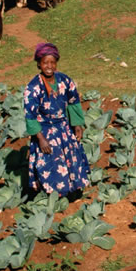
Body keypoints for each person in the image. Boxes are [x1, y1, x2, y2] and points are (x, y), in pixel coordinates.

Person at [24, 42, 90, 196]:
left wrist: (77, 125)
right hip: (45, 132)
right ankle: (53, 196)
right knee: (50, 164)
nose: (49, 66)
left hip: (64, 128)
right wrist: (40, 138)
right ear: (39, 65)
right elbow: (30, 115)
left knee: (71, 158)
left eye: (52, 62)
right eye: (45, 62)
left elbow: (73, 101)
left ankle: (72, 192)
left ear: (56, 64)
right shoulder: (33, 87)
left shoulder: (65, 81)